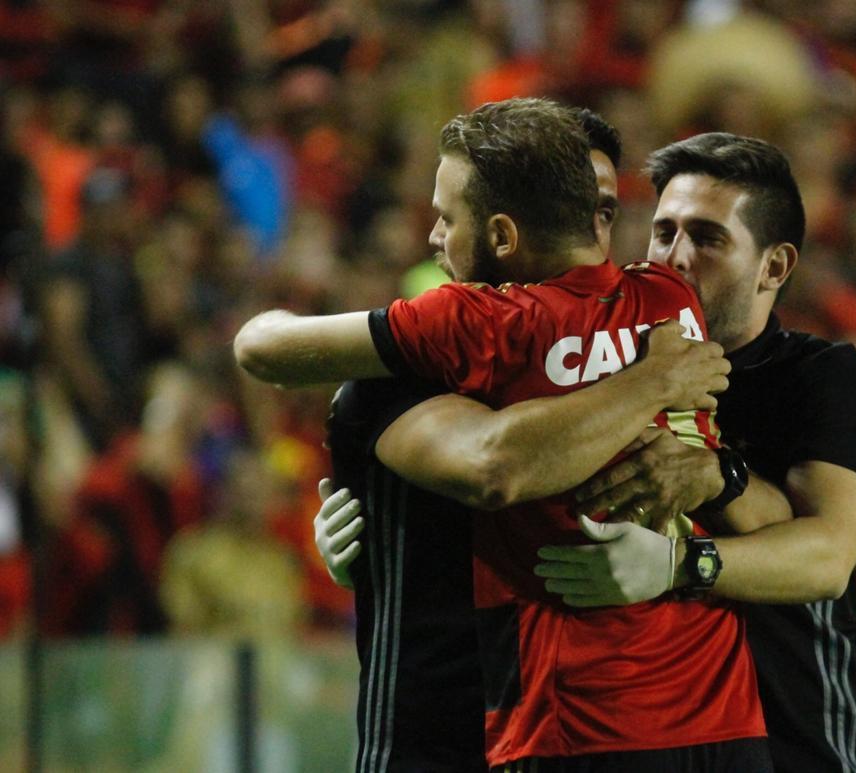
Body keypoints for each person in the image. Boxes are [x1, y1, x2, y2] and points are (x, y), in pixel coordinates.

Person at [317, 131, 856, 772]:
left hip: (799, 737)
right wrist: (387, 544)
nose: (676, 258)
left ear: (774, 267)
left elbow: (827, 556)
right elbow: (516, 500)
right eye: (664, 232)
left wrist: (685, 556)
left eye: (707, 239)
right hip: (613, 734)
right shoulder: (591, 366)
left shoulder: (820, 381)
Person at [235, 99, 774, 771]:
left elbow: (261, 348)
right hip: (720, 709)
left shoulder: (480, 323)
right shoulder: (672, 302)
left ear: (502, 233)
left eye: (447, 217)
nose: (434, 235)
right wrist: (384, 539)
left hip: (579, 724)